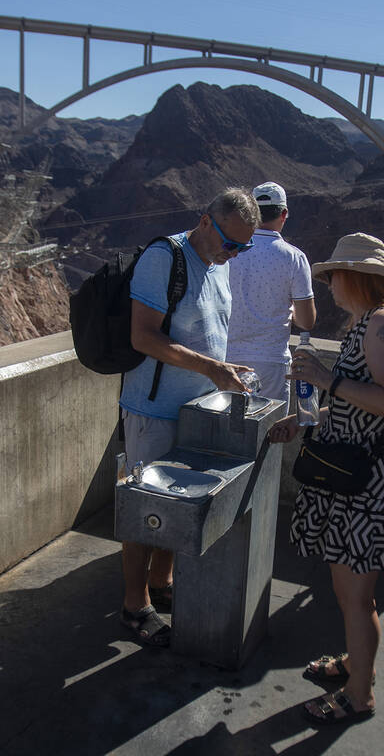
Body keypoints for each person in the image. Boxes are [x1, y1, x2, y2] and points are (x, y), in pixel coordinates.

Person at [267, 232, 384, 727]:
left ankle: (359, 695)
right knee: (351, 593)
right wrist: (303, 420)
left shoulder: (383, 323)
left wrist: (325, 379)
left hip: (372, 485)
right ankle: (356, 665)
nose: (330, 284)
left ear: (354, 278)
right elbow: (356, 400)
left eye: (335, 274)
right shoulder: (368, 322)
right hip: (358, 477)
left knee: (355, 597)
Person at [118, 187, 261, 647]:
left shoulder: (218, 266)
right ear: (204, 221)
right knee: (146, 509)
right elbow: (143, 336)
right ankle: (134, 604)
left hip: (197, 413)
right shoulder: (166, 258)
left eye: (243, 247)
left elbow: (206, 336)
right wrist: (211, 368)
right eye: (229, 242)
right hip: (155, 410)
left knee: (178, 507)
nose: (233, 253)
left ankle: (162, 583)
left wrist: (224, 368)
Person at [225, 181, 316, 402]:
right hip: (271, 363)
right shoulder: (294, 258)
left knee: (222, 432)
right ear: (283, 214)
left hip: (225, 360)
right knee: (267, 431)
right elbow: (306, 321)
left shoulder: (228, 250)